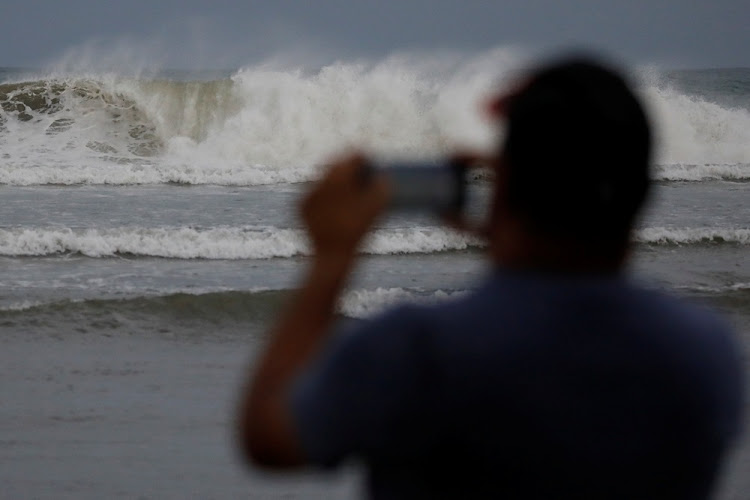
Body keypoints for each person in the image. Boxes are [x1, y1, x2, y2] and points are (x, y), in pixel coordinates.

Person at [235, 55, 744, 499]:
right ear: (641, 194)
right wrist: (511, 220)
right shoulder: (703, 355)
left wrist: (331, 259)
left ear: (502, 189)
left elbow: (268, 435)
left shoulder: (416, 350)